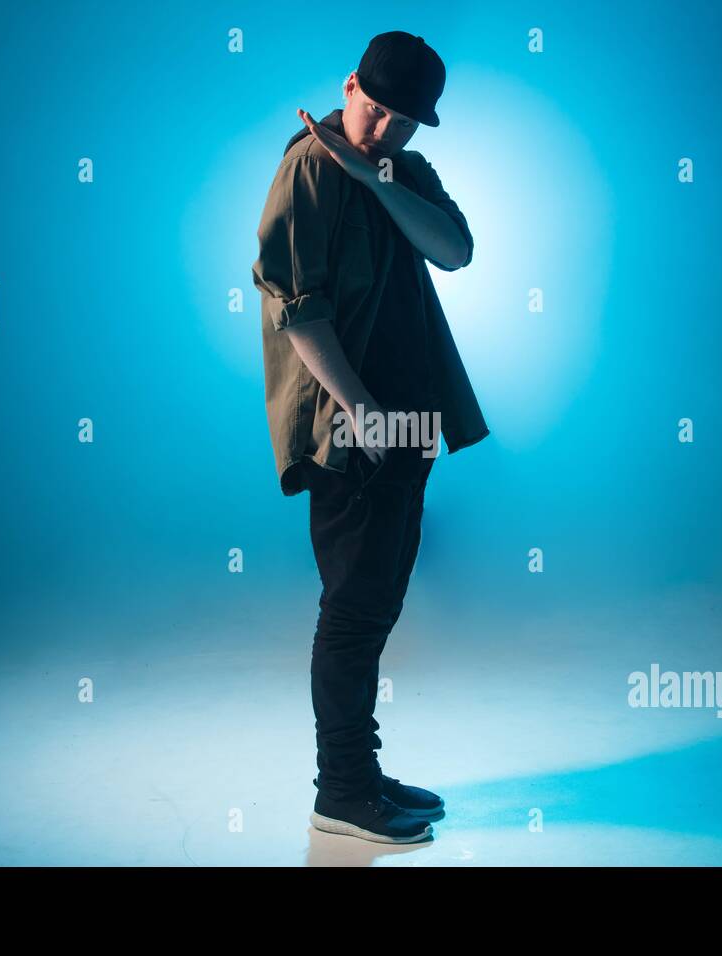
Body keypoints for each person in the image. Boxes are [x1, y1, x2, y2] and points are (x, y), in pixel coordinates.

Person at [252, 31, 490, 844]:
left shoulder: (396, 170)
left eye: (404, 122)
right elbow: (297, 308)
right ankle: (342, 791)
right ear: (350, 84)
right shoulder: (308, 164)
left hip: (409, 419)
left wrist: (376, 175)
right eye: (375, 109)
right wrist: (359, 408)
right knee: (351, 612)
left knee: (378, 605)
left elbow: (455, 250)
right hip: (352, 427)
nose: (384, 130)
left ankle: (363, 771)